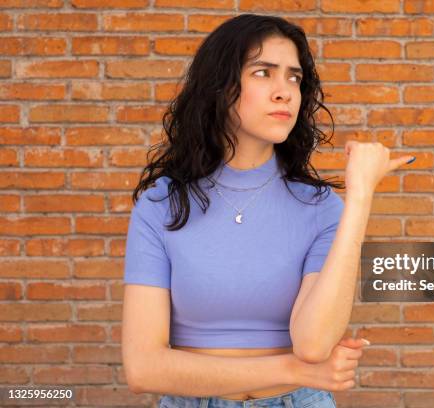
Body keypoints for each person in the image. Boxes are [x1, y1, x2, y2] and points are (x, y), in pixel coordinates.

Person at [121, 13, 414, 408]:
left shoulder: (320, 206)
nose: (285, 92)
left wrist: (360, 197)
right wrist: (292, 371)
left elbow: (312, 344)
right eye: (263, 73)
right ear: (220, 87)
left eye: (294, 77)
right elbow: (143, 370)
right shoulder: (162, 204)